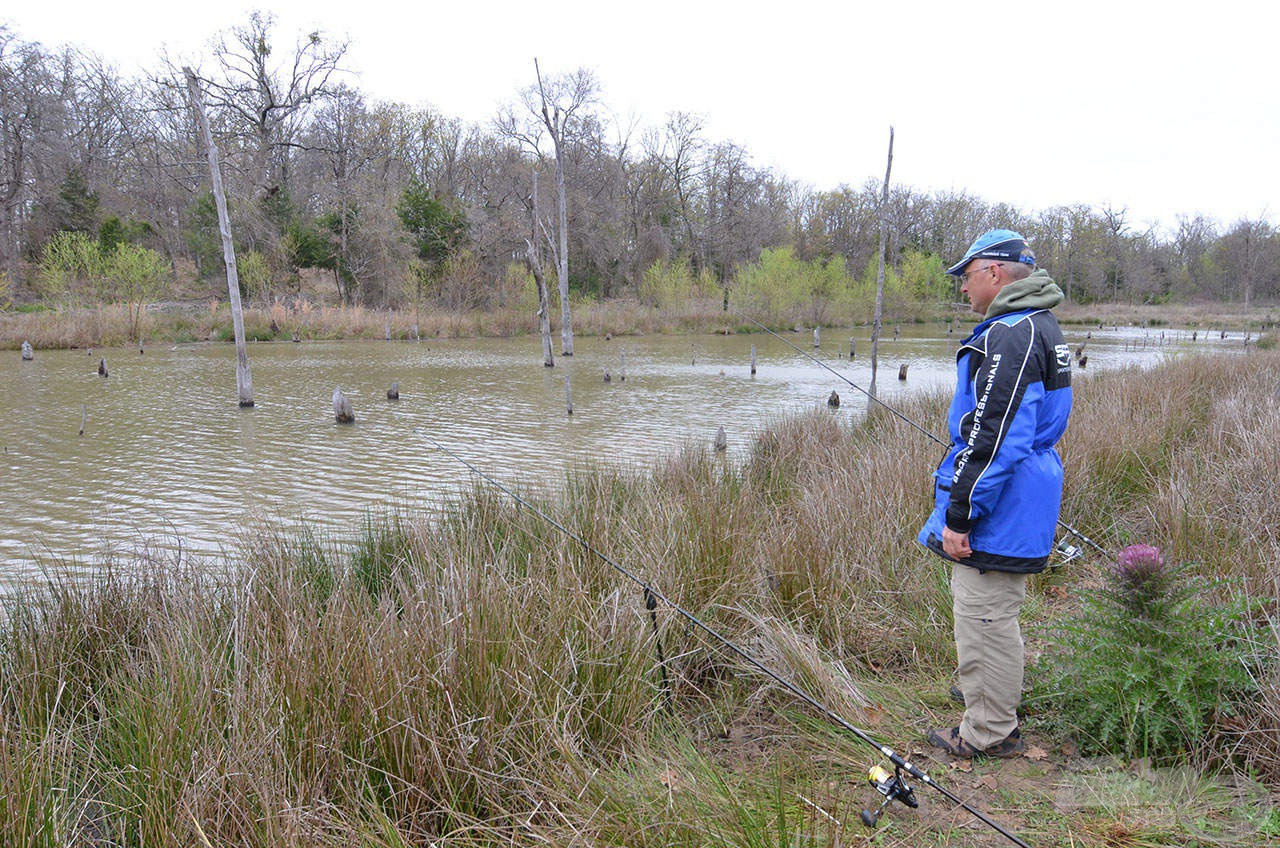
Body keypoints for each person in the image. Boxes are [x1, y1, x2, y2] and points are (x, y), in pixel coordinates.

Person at [917, 229, 1073, 759]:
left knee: (985, 613)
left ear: (996, 272)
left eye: (966, 274)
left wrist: (960, 514)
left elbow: (996, 437)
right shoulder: (1038, 325)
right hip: (1022, 492)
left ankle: (988, 730)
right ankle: (985, 693)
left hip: (1002, 502)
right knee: (991, 610)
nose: (962, 286)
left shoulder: (1010, 335)